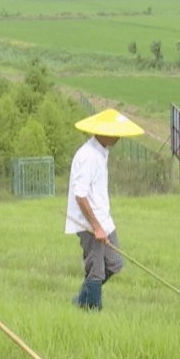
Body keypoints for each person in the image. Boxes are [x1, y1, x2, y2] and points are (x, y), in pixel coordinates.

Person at [65, 108, 144, 311]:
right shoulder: (89, 156)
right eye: (115, 133)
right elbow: (80, 195)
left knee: (115, 263)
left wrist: (103, 225)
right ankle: (92, 310)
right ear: (102, 132)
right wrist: (96, 227)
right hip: (89, 223)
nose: (118, 137)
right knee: (96, 271)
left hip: (104, 220)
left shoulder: (101, 152)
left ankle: (81, 299)